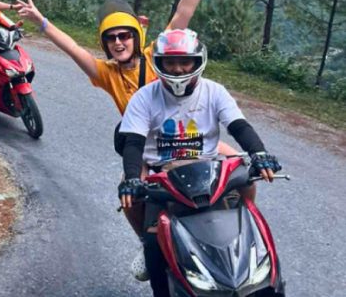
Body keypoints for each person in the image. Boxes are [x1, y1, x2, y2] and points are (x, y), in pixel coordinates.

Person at [15, 0, 229, 279]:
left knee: (239, 165)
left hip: (189, 135)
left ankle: (240, 233)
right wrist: (41, 21)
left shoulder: (154, 54)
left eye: (124, 36)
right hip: (146, 148)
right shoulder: (105, 74)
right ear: (105, 43)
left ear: (135, 36)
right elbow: (72, 48)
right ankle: (148, 248)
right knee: (128, 191)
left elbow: (182, 15)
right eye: (111, 38)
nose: (118, 42)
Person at [116, 28, 282, 297]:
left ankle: (245, 221)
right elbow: (133, 143)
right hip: (162, 174)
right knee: (134, 204)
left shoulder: (214, 92)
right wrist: (134, 178)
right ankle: (146, 245)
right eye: (171, 62)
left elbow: (239, 126)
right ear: (159, 63)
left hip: (209, 169)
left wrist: (259, 153)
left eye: (185, 61)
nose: (178, 69)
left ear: (197, 61)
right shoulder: (144, 97)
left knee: (246, 176)